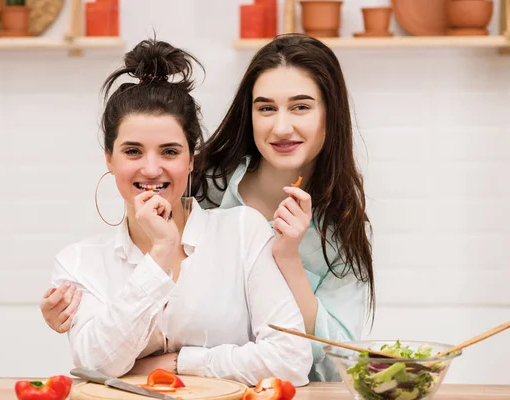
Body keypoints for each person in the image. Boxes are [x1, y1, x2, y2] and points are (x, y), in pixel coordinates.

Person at [42, 33, 375, 382]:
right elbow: (94, 364)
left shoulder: (323, 225)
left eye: (301, 106)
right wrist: (74, 320)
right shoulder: (205, 183)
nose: (281, 126)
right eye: (265, 108)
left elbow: (330, 357)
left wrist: (288, 259)